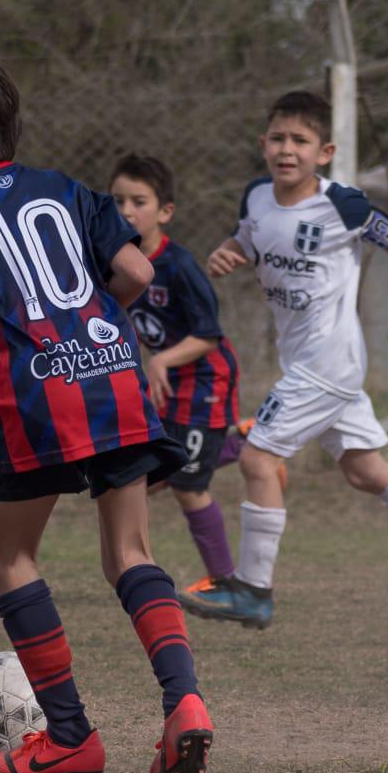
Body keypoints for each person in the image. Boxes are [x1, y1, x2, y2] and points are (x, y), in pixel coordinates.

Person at [0, 52, 213, 773]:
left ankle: (71, 736)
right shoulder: (65, 190)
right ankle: (184, 701)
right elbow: (139, 275)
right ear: (12, 122)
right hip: (113, 375)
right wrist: (85, 323)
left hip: (38, 398)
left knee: (11, 557)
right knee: (129, 554)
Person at [185, 90, 388, 630]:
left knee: (259, 460)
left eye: (301, 141)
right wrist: (229, 252)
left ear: (324, 151)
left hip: (328, 363)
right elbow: (250, 239)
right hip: (305, 363)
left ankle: (253, 590)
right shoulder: (256, 198)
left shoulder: (343, 204)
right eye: (279, 139)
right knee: (365, 471)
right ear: (263, 144)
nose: (288, 150)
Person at [108, 153, 246, 600]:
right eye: (118, 200)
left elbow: (208, 335)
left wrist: (161, 362)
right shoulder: (114, 263)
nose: (127, 211)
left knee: (187, 485)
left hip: (206, 378)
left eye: (139, 201)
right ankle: (241, 444)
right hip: (169, 381)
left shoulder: (181, 267)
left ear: (165, 212)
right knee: (148, 478)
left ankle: (227, 583)